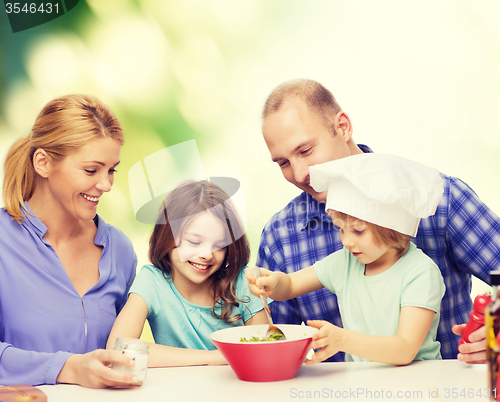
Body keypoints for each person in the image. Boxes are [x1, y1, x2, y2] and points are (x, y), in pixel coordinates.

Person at [256, 79, 500, 363]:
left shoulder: (440, 200)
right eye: (283, 163)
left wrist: (495, 333)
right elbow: (274, 343)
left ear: (343, 127)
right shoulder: (280, 235)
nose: (298, 175)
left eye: (306, 151)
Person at [248, 153, 446, 364]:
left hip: (416, 387)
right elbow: (290, 286)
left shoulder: (420, 273)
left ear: (392, 227)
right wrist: (272, 282)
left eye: (358, 231)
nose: (347, 242)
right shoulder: (345, 263)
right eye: (341, 229)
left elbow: (404, 350)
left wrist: (343, 340)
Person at [0, 95, 138, 388]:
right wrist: (68, 368)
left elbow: (126, 348)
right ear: (43, 162)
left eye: (111, 170)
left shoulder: (120, 251)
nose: (106, 185)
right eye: (91, 170)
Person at [107, 180, 267, 366]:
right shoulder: (152, 281)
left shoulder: (243, 282)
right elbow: (118, 350)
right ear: (166, 236)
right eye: (194, 242)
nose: (207, 255)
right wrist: (212, 358)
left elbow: (265, 350)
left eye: (219, 245)